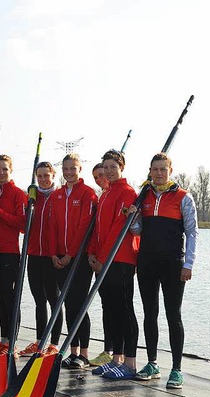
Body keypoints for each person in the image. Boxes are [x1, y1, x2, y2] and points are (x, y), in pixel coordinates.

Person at [129, 152, 198, 389]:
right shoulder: (144, 196)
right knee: (150, 312)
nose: (159, 173)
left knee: (173, 314)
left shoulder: (183, 197)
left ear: (170, 170)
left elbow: (192, 232)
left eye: (163, 169)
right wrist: (133, 217)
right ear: (150, 171)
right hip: (147, 262)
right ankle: (152, 363)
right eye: (155, 169)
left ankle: (177, 369)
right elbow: (137, 232)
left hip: (173, 264)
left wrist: (188, 263)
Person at [88, 150, 140, 379]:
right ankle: (116, 358)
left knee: (124, 310)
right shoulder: (106, 193)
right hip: (102, 261)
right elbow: (98, 229)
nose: (109, 171)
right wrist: (92, 253)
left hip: (120, 260)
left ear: (122, 167)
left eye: (113, 167)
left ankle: (130, 363)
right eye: (105, 167)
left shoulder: (127, 193)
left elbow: (117, 230)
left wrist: (103, 259)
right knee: (111, 311)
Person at [49, 153, 97, 369]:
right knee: (68, 304)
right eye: (66, 168)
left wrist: (71, 254)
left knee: (79, 304)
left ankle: (84, 354)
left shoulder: (88, 194)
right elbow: (52, 226)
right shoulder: (57, 195)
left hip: (79, 258)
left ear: (80, 169)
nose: (69, 172)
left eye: (73, 168)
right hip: (60, 258)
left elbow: (84, 227)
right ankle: (73, 350)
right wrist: (53, 254)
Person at [0, 154, 27, 354]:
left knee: (9, 296)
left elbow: (22, 224)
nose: (1, 173)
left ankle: (13, 341)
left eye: (4, 169)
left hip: (9, 252)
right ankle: (3, 339)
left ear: (11, 170)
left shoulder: (18, 194)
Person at [18, 162, 62, 356]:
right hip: (34, 254)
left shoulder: (59, 197)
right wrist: (28, 207)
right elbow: (22, 226)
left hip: (52, 255)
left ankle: (53, 343)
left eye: (47, 175)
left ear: (53, 175)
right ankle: (39, 341)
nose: (43, 179)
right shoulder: (32, 198)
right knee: (39, 300)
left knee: (54, 299)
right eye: (40, 176)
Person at [87, 162, 115, 366]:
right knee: (107, 305)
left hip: (112, 261)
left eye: (101, 174)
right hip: (98, 260)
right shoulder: (101, 197)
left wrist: (103, 260)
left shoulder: (114, 195)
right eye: (96, 177)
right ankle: (108, 349)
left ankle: (114, 350)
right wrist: (92, 254)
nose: (99, 179)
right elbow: (96, 233)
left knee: (115, 306)